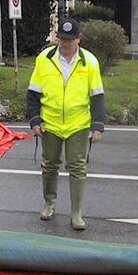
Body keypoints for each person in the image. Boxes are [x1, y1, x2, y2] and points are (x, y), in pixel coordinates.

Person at [26, 19, 106, 230]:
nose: (65, 44)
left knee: (78, 167)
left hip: (78, 123)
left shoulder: (90, 62)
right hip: (50, 122)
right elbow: (33, 92)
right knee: (50, 164)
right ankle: (49, 203)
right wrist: (35, 119)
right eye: (62, 39)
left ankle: (76, 212)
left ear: (78, 39)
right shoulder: (45, 58)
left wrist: (97, 124)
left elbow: (97, 96)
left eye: (70, 40)